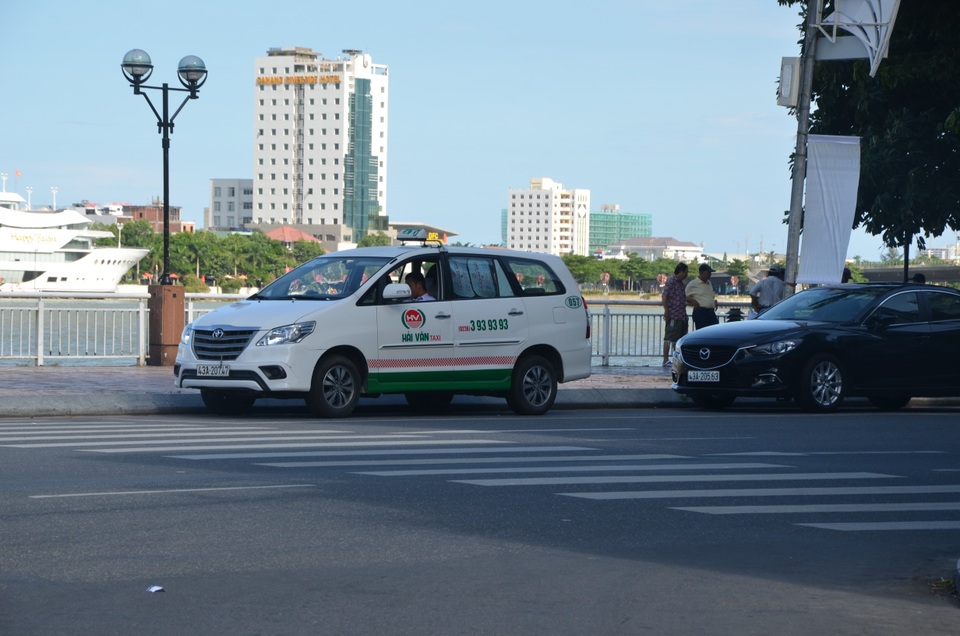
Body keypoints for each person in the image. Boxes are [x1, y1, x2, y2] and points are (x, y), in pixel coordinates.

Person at [661, 262, 689, 367]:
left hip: (682, 316)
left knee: (679, 339)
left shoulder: (681, 283)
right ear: (680, 272)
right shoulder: (671, 281)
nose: (686, 275)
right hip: (674, 315)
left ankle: (677, 359)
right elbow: (664, 296)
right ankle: (665, 360)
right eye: (685, 272)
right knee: (669, 337)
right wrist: (667, 311)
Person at [686, 263, 719, 330]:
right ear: (701, 272)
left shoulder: (709, 283)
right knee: (703, 333)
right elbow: (684, 296)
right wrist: (692, 300)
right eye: (708, 273)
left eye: (710, 273)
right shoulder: (693, 283)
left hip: (711, 312)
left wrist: (713, 301)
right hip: (701, 312)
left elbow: (709, 295)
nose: (710, 275)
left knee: (716, 331)